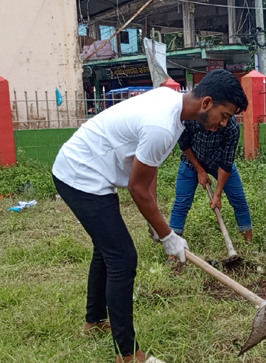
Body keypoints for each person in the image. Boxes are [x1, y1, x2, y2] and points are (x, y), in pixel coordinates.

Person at [52, 70, 248, 363]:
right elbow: (137, 187)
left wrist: (155, 221)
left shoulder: (172, 105)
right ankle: (128, 355)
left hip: (89, 169)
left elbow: (147, 167)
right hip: (80, 174)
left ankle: (93, 322)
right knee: (122, 258)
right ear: (207, 102)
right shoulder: (163, 126)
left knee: (107, 250)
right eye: (224, 115)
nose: (224, 124)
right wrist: (169, 236)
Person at [168, 116, 253, 246]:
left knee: (239, 199)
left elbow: (226, 162)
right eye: (216, 123)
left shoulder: (231, 126)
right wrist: (200, 170)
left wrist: (217, 195)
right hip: (191, 161)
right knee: (182, 203)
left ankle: (250, 247)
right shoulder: (190, 118)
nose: (222, 124)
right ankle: (172, 253)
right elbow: (184, 144)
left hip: (218, 160)